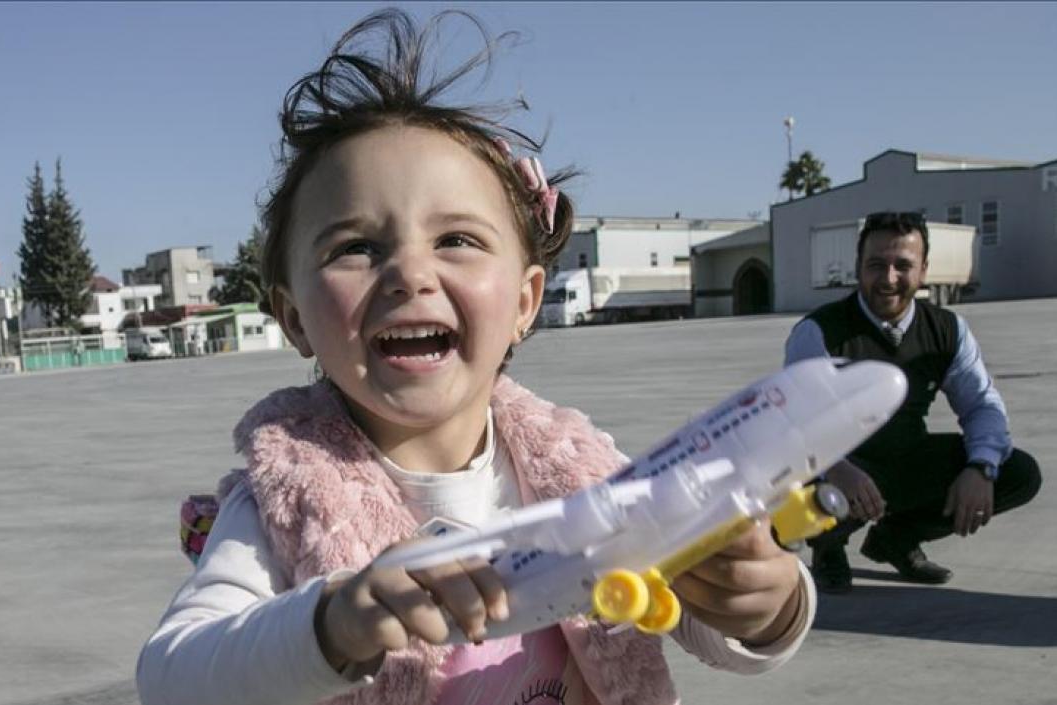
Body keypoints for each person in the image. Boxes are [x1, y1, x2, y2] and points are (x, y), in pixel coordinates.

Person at [138, 10, 815, 705]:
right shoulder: (285, 501)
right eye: (354, 247)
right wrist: (333, 622)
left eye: (456, 238)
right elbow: (172, 675)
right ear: (293, 317)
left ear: (525, 299)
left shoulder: (577, 469)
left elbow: (700, 611)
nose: (409, 273)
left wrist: (769, 600)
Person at [786, 211, 1042, 594]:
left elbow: (981, 405)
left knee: (1017, 472)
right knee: (801, 479)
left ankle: (897, 538)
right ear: (859, 268)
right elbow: (792, 424)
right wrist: (836, 468)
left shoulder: (948, 330)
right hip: (841, 467)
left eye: (902, 266)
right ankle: (828, 547)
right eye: (876, 265)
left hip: (906, 457)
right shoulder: (818, 331)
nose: (888, 279)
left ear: (923, 270)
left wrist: (981, 468)